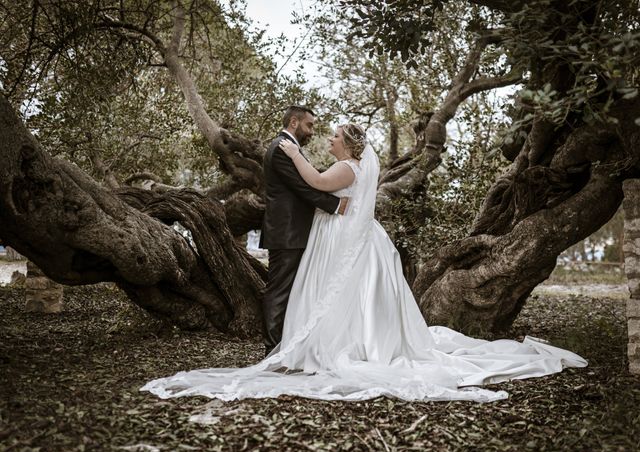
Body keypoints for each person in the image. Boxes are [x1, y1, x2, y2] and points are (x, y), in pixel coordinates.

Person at [141, 124, 586, 403]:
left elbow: (315, 181)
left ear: (349, 145)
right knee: (352, 296)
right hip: (347, 235)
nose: (329, 139)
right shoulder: (352, 167)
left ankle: (340, 347)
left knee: (344, 293)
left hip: (344, 238)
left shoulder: (349, 169)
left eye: (334, 136)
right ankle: (341, 340)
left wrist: (290, 151)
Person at [259, 106, 349, 357]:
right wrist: (334, 205)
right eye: (309, 125)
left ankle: (283, 345)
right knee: (279, 290)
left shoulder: (289, 148)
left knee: (289, 289)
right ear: (294, 122)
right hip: (287, 232)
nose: (312, 131)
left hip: (293, 231)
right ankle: (272, 349)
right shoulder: (280, 148)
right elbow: (301, 188)